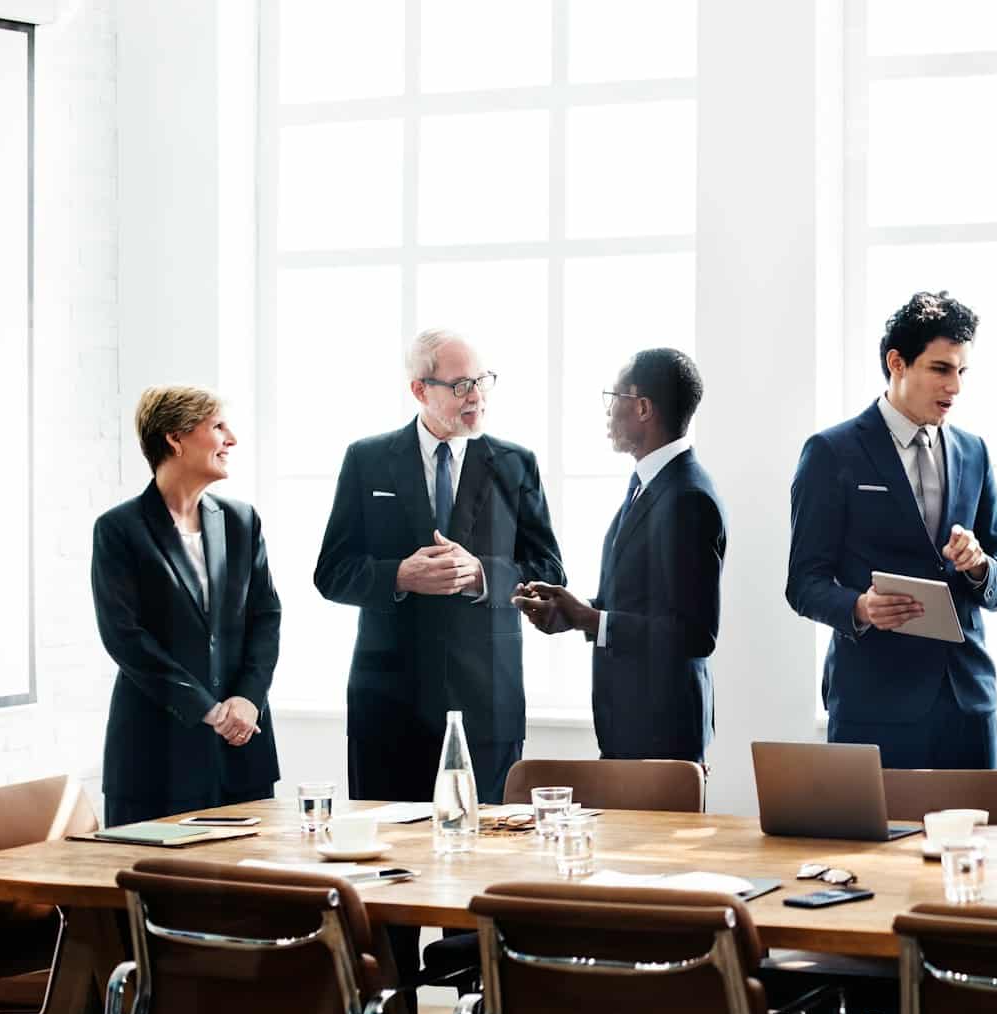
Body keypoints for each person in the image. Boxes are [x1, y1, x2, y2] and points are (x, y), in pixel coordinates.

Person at [314, 328, 566, 805]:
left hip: (487, 703)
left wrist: (482, 574)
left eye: (482, 381)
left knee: (488, 856)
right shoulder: (366, 460)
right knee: (388, 862)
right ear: (418, 390)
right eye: (459, 386)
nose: (476, 397)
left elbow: (550, 570)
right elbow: (332, 572)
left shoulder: (516, 463)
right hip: (387, 705)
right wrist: (399, 576)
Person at [786, 291, 997, 769]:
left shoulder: (975, 452)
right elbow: (803, 583)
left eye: (961, 371)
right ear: (897, 363)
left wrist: (978, 567)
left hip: (967, 703)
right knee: (872, 846)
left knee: (973, 846)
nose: (955, 386)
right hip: (874, 705)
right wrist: (861, 608)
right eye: (941, 369)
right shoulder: (832, 452)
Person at [512, 348, 725, 762]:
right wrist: (573, 614)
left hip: (663, 736)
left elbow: (696, 634)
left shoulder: (688, 497)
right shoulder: (650, 484)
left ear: (643, 407)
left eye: (614, 399)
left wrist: (592, 619)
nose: (608, 413)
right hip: (631, 727)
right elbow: (643, 602)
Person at [91, 386, 281, 827]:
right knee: (155, 891)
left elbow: (265, 616)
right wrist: (210, 710)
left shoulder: (242, 520)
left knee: (248, 889)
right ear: (175, 439)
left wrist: (249, 700)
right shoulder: (119, 530)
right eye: (218, 427)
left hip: (241, 751)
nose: (230, 439)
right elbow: (125, 638)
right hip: (155, 758)